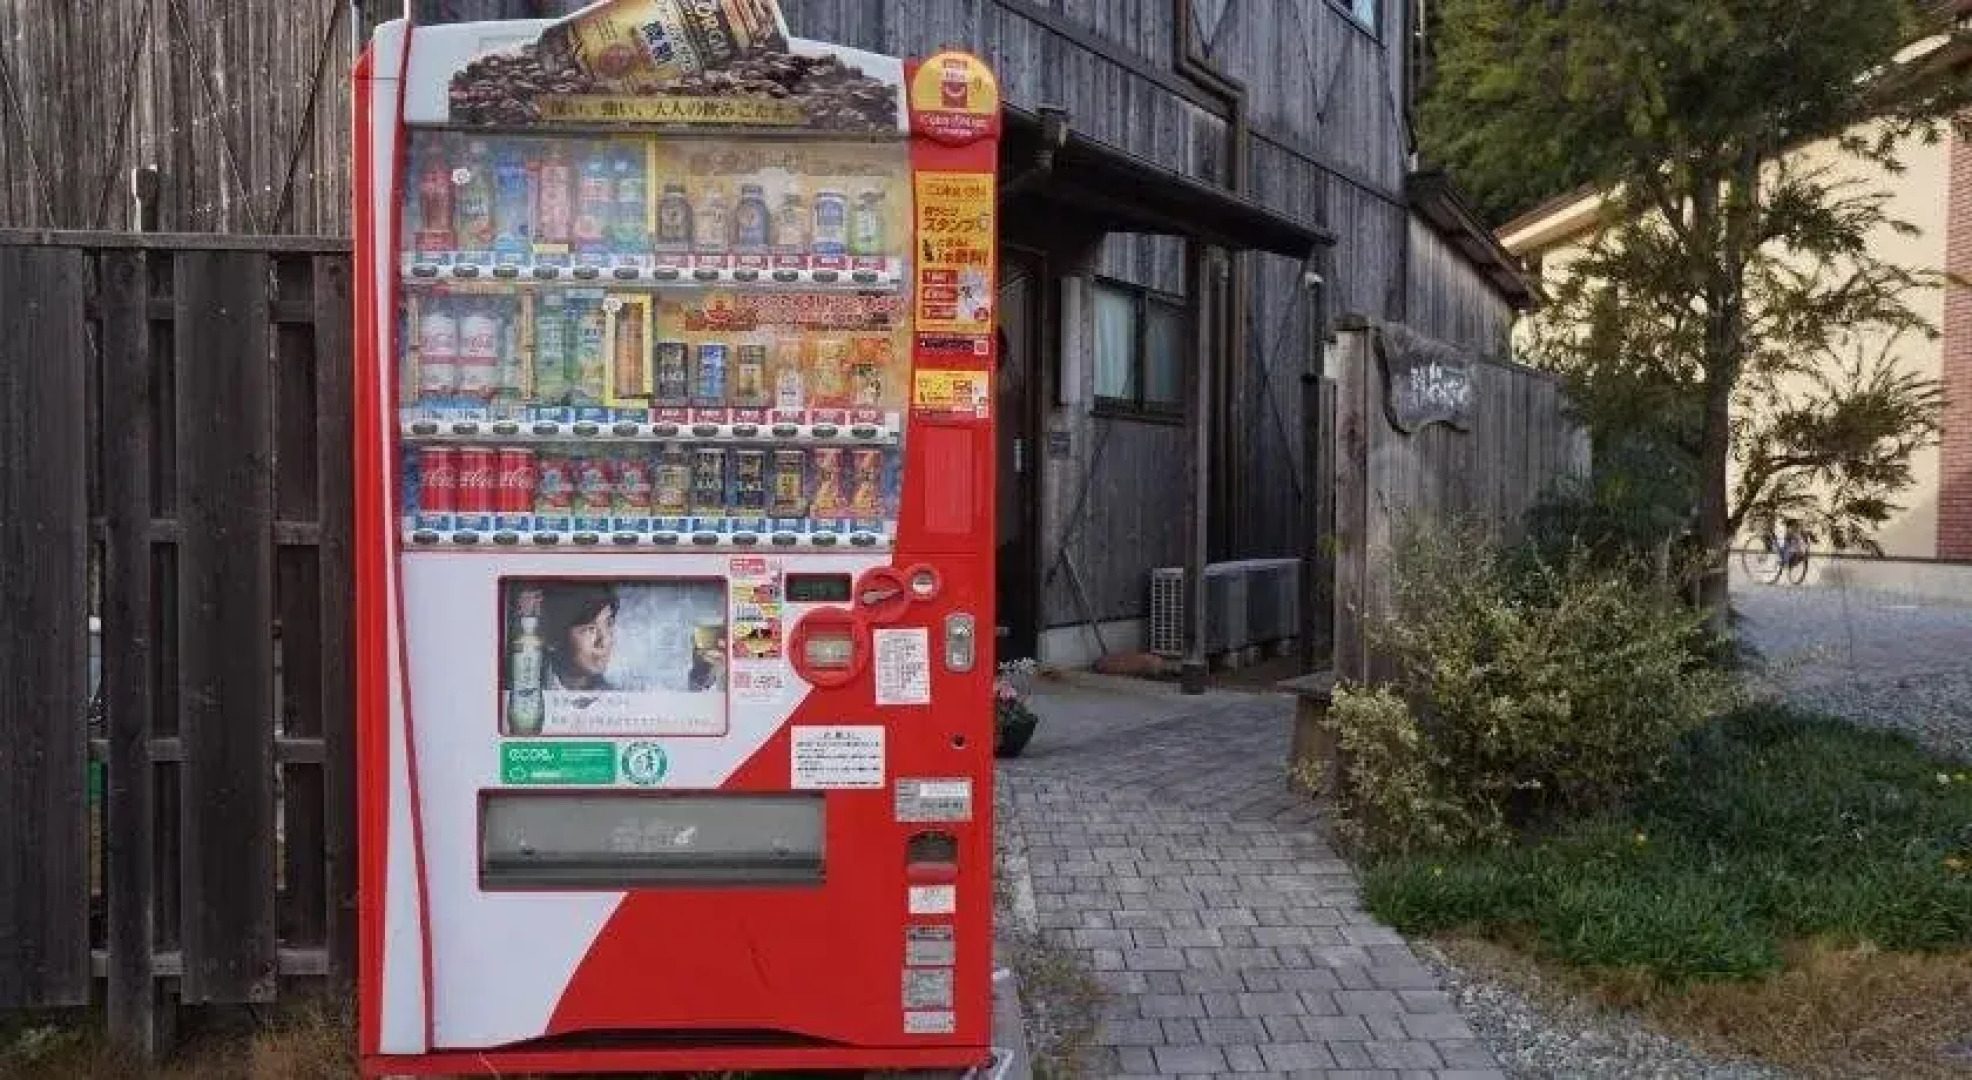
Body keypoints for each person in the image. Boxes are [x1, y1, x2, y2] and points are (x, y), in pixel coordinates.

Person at [541, 582, 620, 692]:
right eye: (590, 628)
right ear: (554, 637)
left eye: (609, 624)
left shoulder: (616, 696)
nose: (604, 641)